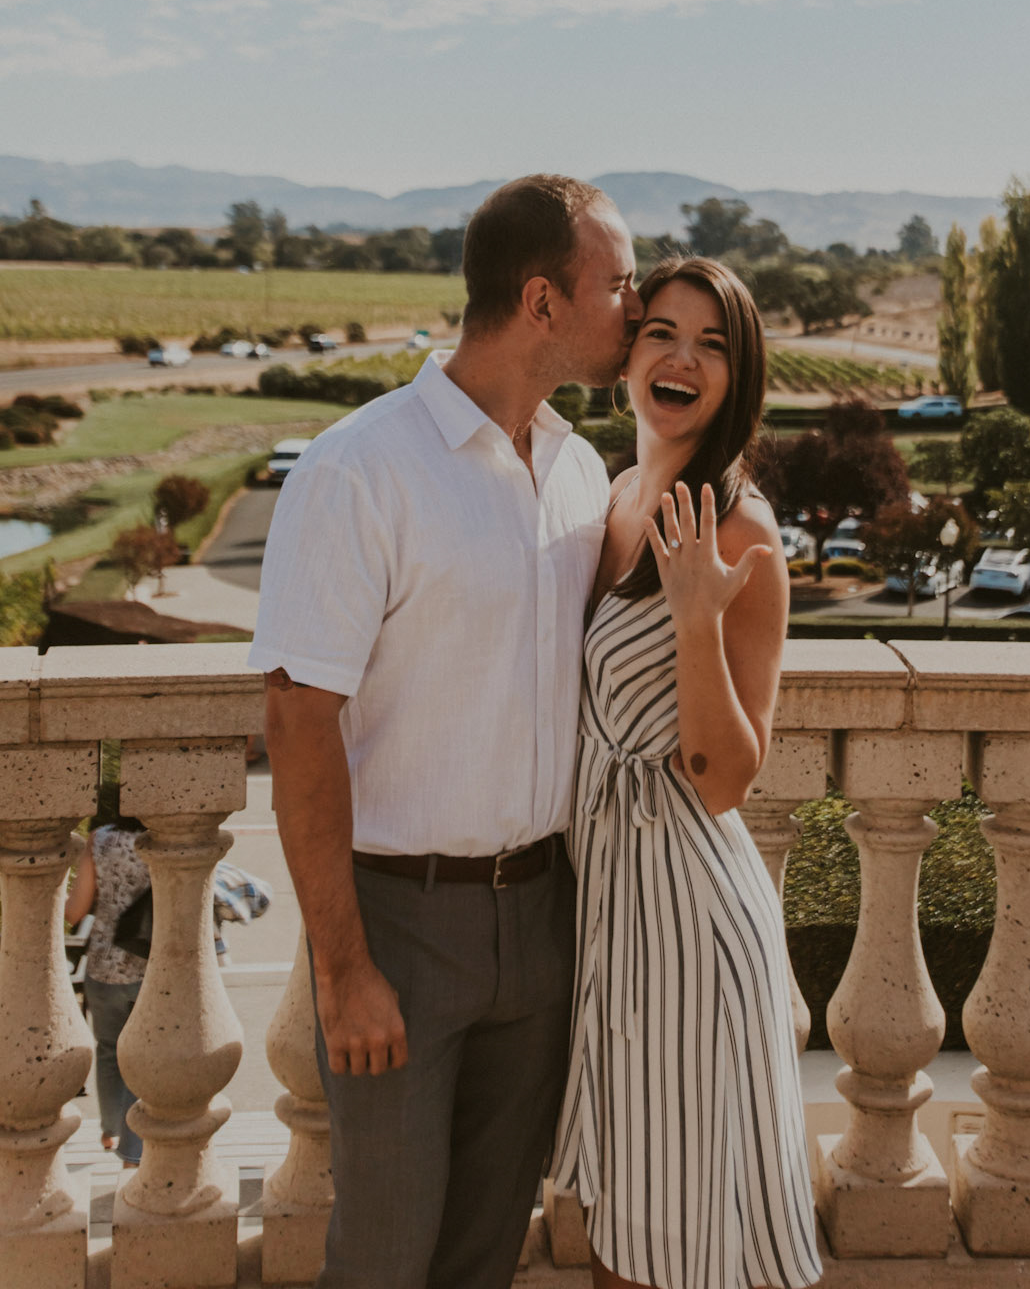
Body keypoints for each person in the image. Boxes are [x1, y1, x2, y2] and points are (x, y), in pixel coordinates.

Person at [249, 174, 642, 1289]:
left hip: (545, 917)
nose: (637, 298)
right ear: (540, 300)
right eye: (617, 281)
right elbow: (298, 719)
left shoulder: (577, 470)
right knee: (381, 1259)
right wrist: (342, 969)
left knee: (483, 1258)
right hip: (399, 932)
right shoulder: (357, 470)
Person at [551, 255, 822, 1289]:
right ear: (628, 350)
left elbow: (726, 777)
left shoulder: (743, 529)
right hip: (616, 905)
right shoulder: (621, 490)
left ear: (739, 375)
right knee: (632, 1227)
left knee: (678, 1248)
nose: (682, 357)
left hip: (688, 918)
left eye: (714, 343)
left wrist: (701, 617)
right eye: (662, 329)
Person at [65, 812, 149, 1167]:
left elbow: (75, 911)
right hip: (151, 965)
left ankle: (110, 1129)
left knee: (109, 1049)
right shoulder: (167, 840)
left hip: (104, 964)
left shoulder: (100, 839)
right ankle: (132, 1153)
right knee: (141, 1058)